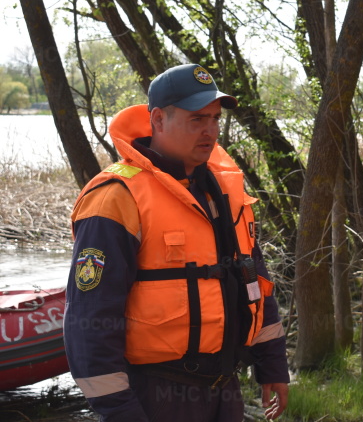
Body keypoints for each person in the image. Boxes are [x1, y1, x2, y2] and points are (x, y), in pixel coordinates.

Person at [64, 64, 289, 422]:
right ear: (158, 120)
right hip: (153, 397)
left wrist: (274, 366)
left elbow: (254, 282)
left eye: (215, 119)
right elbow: (89, 319)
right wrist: (120, 411)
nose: (210, 131)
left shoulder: (225, 193)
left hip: (224, 389)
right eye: (197, 119)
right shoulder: (117, 198)